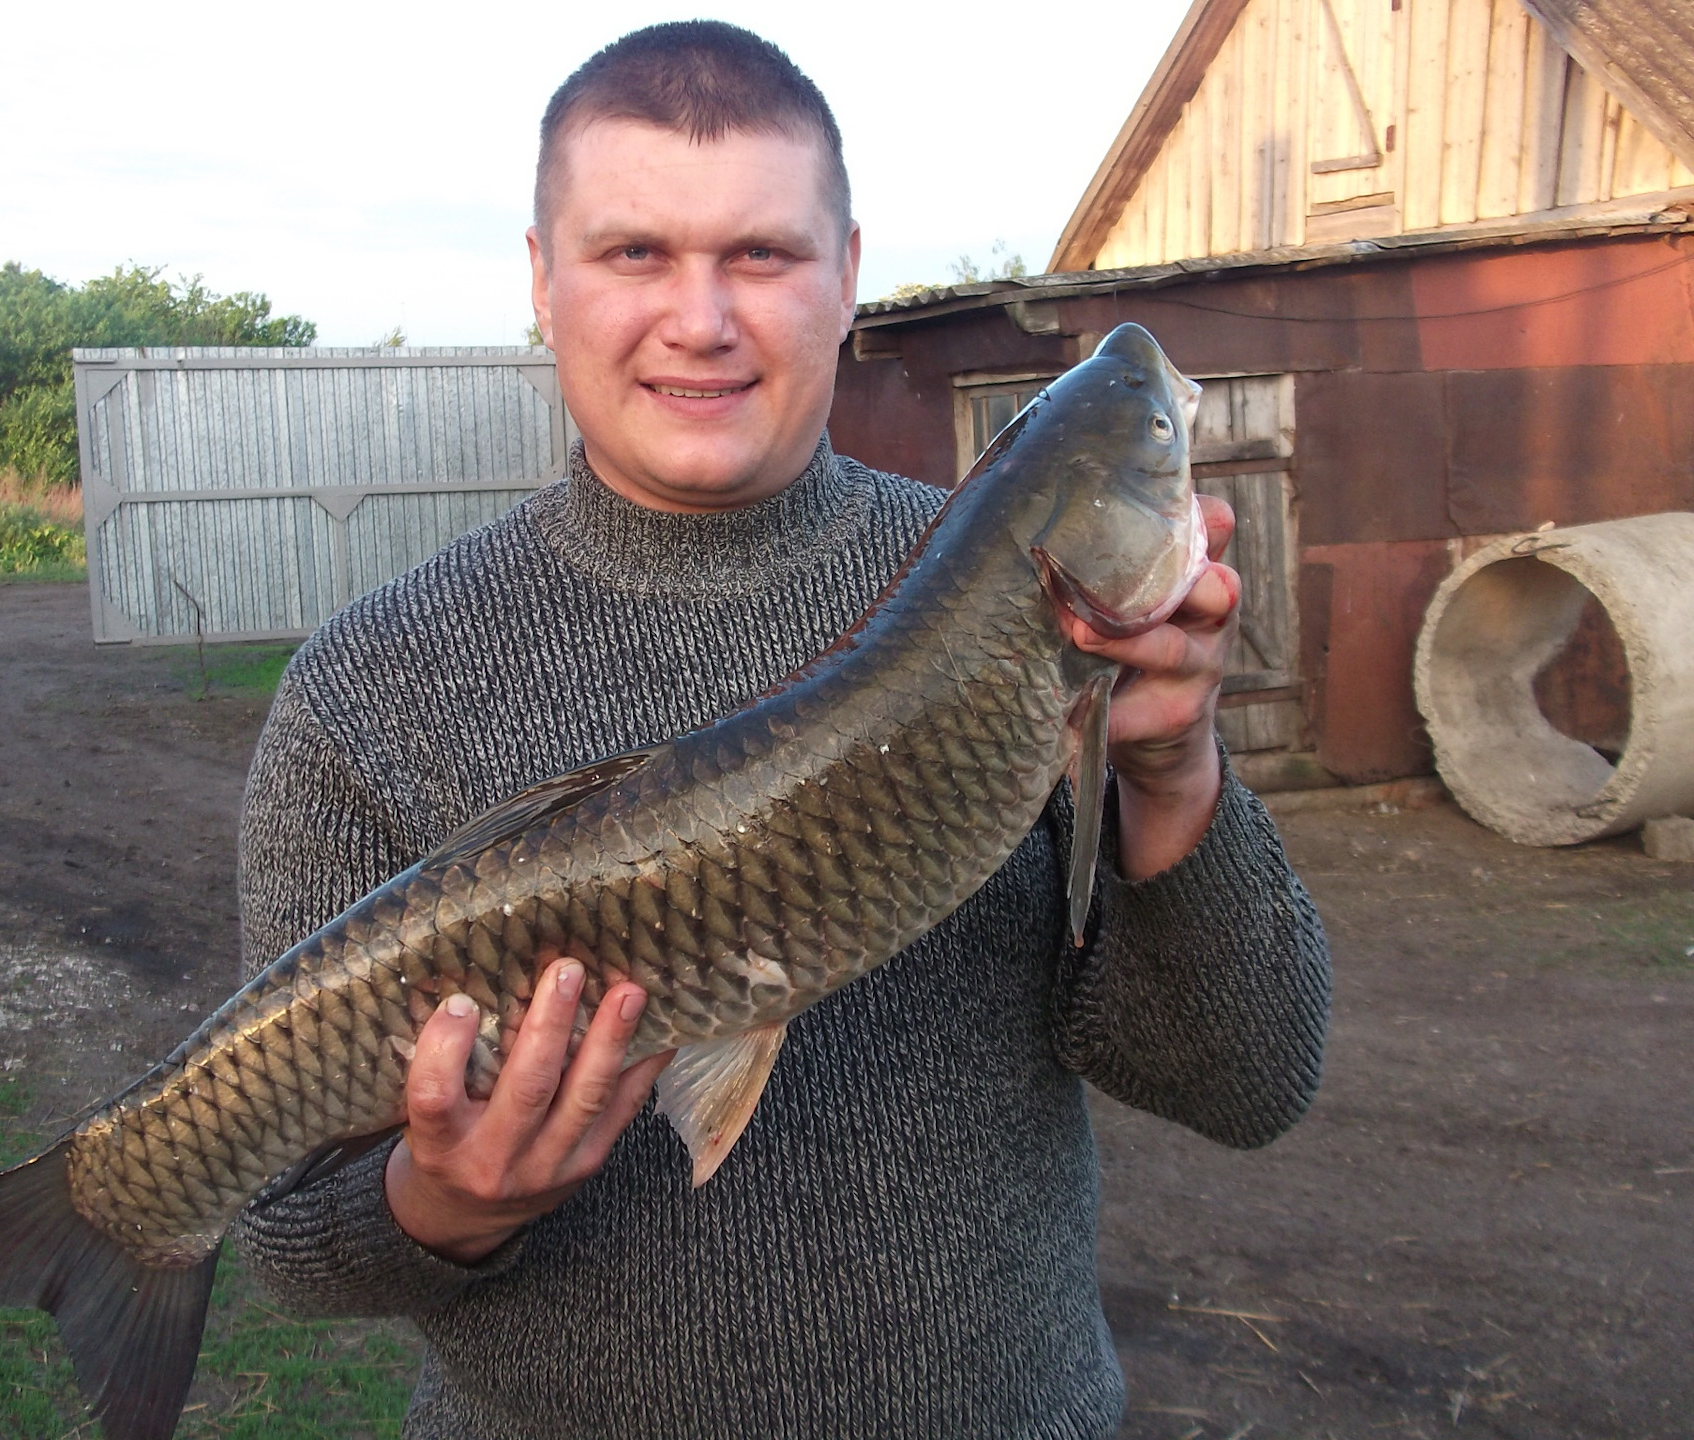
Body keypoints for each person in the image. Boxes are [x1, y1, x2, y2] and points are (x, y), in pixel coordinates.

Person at [233, 21, 1329, 1440]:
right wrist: (436, 1205)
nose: (702, 318)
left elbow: (1244, 1084)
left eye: (762, 254)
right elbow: (280, 1238)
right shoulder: (364, 690)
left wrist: (1176, 770)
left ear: (849, 276)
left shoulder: (1037, 630)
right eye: (636, 253)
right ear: (542, 282)